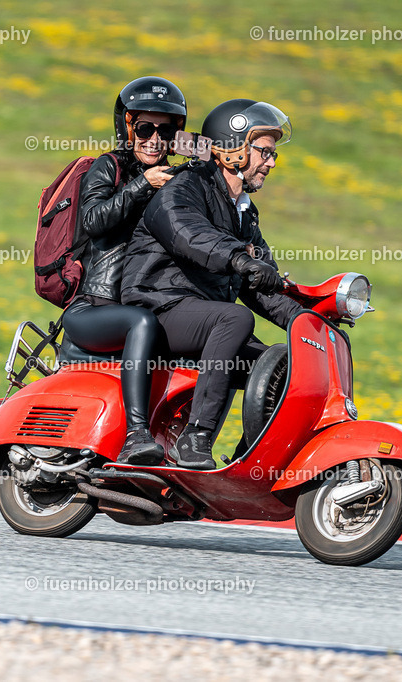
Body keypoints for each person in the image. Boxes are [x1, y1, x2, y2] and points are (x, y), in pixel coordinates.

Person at [120, 99, 302, 470]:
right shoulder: (183, 189)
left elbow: (261, 283)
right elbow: (191, 236)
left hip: (202, 316)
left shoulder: (244, 212)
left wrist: (308, 321)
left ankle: (247, 459)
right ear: (233, 150)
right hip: (158, 305)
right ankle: (195, 437)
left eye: (273, 155)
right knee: (234, 319)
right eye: (264, 152)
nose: (271, 162)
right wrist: (239, 257)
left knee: (281, 366)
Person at [62, 76, 187, 465]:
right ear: (128, 127)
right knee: (143, 323)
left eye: (164, 131)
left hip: (142, 305)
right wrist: (140, 185)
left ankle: (186, 444)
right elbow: (93, 219)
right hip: (94, 309)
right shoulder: (110, 167)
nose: (154, 138)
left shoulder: (177, 179)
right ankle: (136, 434)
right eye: (145, 128)